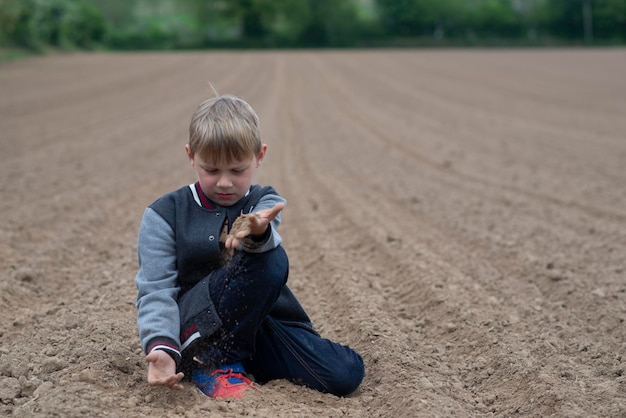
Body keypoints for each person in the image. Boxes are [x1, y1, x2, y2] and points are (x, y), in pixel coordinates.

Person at [134, 93, 365, 400]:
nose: (225, 183)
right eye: (211, 170)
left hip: (258, 327)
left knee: (346, 373)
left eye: (237, 170)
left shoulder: (264, 203)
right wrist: (162, 349)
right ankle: (213, 363)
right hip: (195, 333)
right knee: (272, 261)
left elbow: (266, 228)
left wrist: (259, 231)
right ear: (191, 156)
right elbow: (156, 290)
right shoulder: (164, 215)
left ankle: (240, 360)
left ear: (259, 155)